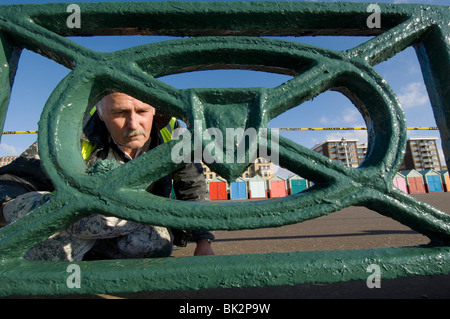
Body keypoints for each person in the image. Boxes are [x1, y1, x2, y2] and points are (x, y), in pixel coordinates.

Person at [0, 92, 215, 261]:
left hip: (135, 225)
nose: (133, 124)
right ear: (101, 114)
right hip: (75, 221)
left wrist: (204, 242)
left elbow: (192, 184)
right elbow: (16, 178)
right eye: (120, 113)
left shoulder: (174, 131)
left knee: (156, 242)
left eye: (142, 111)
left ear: (154, 110)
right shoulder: (73, 133)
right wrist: (7, 207)